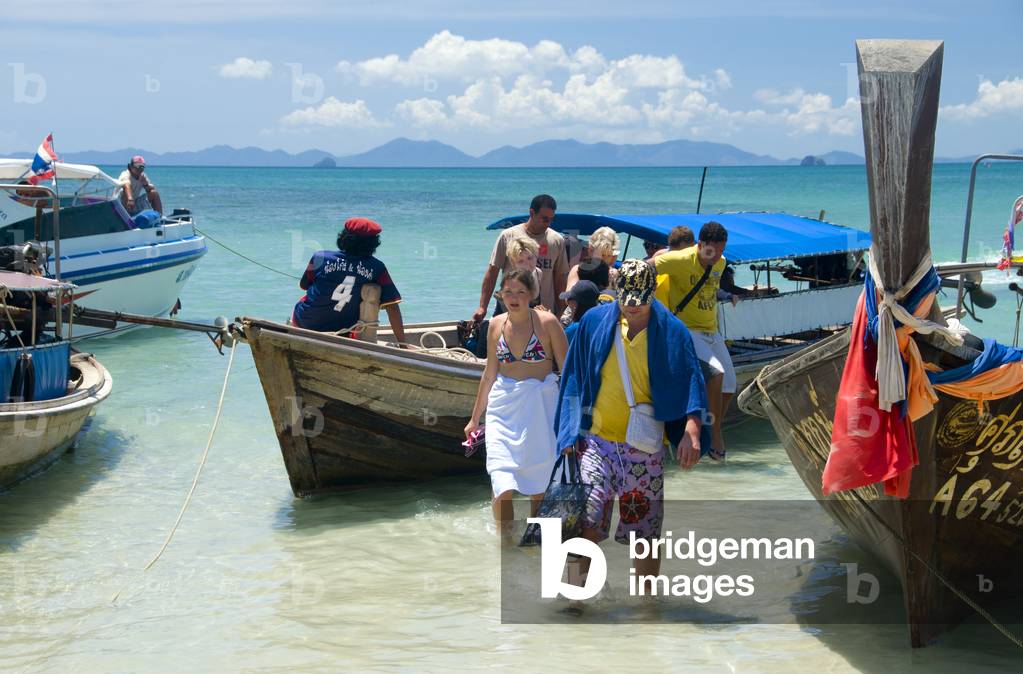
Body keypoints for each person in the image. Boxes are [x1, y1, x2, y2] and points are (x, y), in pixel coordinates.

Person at [555, 259, 708, 584]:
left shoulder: (673, 331)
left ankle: (647, 608)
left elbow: (691, 377)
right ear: (617, 292)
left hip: (644, 449)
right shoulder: (595, 322)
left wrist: (692, 427)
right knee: (584, 523)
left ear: (653, 293)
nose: (633, 308)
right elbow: (573, 377)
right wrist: (568, 431)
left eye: (640, 302)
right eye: (627, 301)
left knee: (645, 535)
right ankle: (572, 602)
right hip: (596, 443)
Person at [465, 268, 568, 539]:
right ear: (500, 294)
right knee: (501, 478)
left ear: (532, 294)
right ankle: (505, 543)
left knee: (540, 478)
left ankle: (536, 539)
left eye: (521, 291)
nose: (514, 297)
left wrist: (574, 418)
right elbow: (489, 374)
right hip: (503, 408)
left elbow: (569, 371)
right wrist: (475, 419)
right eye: (508, 291)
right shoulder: (496, 324)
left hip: (540, 408)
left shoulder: (548, 323)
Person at [654, 221, 733, 457]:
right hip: (688, 330)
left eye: (721, 250)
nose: (717, 255)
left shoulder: (721, 262)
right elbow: (645, 267)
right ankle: (715, 435)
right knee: (716, 372)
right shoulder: (679, 260)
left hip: (712, 330)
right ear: (700, 245)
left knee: (730, 384)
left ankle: (710, 425)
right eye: (712, 250)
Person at [292, 217, 406, 345]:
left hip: (305, 323)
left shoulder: (320, 257)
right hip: (342, 330)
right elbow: (393, 306)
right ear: (373, 243)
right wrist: (402, 344)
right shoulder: (377, 268)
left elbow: (304, 285)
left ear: (343, 238)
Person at [472, 194, 568, 322]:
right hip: (509, 310)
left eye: (551, 219)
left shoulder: (556, 240)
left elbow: (559, 278)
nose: (548, 223)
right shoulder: (508, 236)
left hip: (543, 312)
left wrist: (561, 310)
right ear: (532, 212)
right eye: (544, 219)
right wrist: (482, 307)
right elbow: (492, 273)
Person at [493, 235, 543, 314]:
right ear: (513, 263)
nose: (527, 265)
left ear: (536, 256)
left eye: (530, 258)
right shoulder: (511, 279)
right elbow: (512, 313)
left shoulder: (538, 273)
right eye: (520, 261)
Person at [560, 280, 600, 346]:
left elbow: (556, 346)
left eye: (569, 303)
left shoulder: (575, 329)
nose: (569, 307)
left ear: (575, 305)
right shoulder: (600, 323)